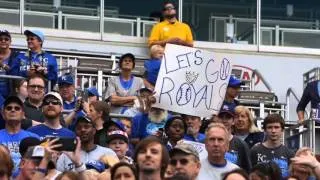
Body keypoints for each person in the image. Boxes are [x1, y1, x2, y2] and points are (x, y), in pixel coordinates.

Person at [0, 96, 39, 171]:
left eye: (17, 108)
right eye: (9, 108)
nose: (13, 110)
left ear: (23, 114)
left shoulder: (34, 138)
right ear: (3, 114)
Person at [250, 114, 295, 178]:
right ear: (265, 130)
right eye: (270, 127)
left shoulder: (289, 153)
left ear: (282, 130)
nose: (273, 131)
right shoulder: (255, 151)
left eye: (276, 127)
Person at [0, 30, 20, 99]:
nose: (3, 41)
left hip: (10, 92)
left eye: (6, 39)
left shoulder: (16, 56)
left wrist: (2, 65)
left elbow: (15, 72)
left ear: (10, 42)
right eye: (0, 39)